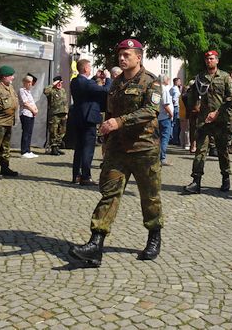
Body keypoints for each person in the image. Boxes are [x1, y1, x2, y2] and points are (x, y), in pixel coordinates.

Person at [68, 39, 163, 267]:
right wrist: (107, 138)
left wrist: (119, 122)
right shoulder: (116, 83)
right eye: (120, 54)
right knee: (109, 194)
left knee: (149, 196)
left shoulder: (151, 82)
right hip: (118, 149)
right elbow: (110, 111)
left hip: (144, 148)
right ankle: (95, 244)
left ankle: (153, 237)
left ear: (138, 57)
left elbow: (151, 111)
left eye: (127, 55)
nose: (122, 58)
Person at [183, 50, 232, 194]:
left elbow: (231, 98)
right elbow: (192, 95)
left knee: (222, 151)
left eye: (212, 59)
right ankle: (196, 181)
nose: (209, 61)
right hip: (204, 121)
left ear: (217, 60)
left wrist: (217, 113)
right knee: (200, 151)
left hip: (221, 121)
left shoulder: (225, 77)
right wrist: (192, 108)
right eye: (207, 59)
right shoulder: (200, 77)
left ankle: (225, 178)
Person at [69, 59, 110, 185]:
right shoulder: (86, 83)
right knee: (88, 148)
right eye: (89, 67)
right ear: (86, 69)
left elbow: (88, 86)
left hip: (78, 117)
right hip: (88, 118)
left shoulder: (75, 81)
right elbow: (105, 90)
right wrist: (108, 78)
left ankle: (76, 175)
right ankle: (86, 177)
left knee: (79, 148)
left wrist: (95, 77)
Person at [0, 66, 19, 178]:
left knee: (6, 147)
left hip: (8, 122)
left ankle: (5, 167)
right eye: (11, 75)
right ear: (4, 76)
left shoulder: (10, 87)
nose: (13, 77)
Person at [43, 75, 68, 156]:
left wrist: (66, 112)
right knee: (53, 130)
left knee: (62, 131)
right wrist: (53, 84)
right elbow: (45, 91)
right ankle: (53, 148)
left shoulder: (63, 90)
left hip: (63, 113)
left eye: (61, 82)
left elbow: (65, 102)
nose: (60, 84)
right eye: (58, 83)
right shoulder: (51, 90)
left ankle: (57, 146)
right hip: (54, 114)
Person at [19, 75, 39, 158]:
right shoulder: (22, 90)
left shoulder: (29, 92)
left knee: (29, 132)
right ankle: (24, 151)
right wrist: (33, 110)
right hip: (25, 113)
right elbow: (25, 103)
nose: (30, 84)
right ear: (24, 82)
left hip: (31, 114)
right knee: (26, 132)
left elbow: (32, 102)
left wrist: (36, 109)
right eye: (28, 82)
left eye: (31, 82)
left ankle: (28, 150)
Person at [157, 75, 173, 166]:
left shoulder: (156, 88)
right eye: (168, 79)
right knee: (164, 138)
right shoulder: (165, 90)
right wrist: (171, 114)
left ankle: (158, 157)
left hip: (158, 116)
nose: (169, 80)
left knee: (158, 138)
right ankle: (162, 158)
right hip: (164, 117)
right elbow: (166, 105)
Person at [170, 77, 182, 146]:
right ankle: (174, 139)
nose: (180, 83)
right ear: (176, 82)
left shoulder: (173, 88)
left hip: (174, 107)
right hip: (176, 107)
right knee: (175, 123)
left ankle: (173, 138)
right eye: (179, 81)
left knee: (174, 123)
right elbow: (174, 99)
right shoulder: (175, 89)